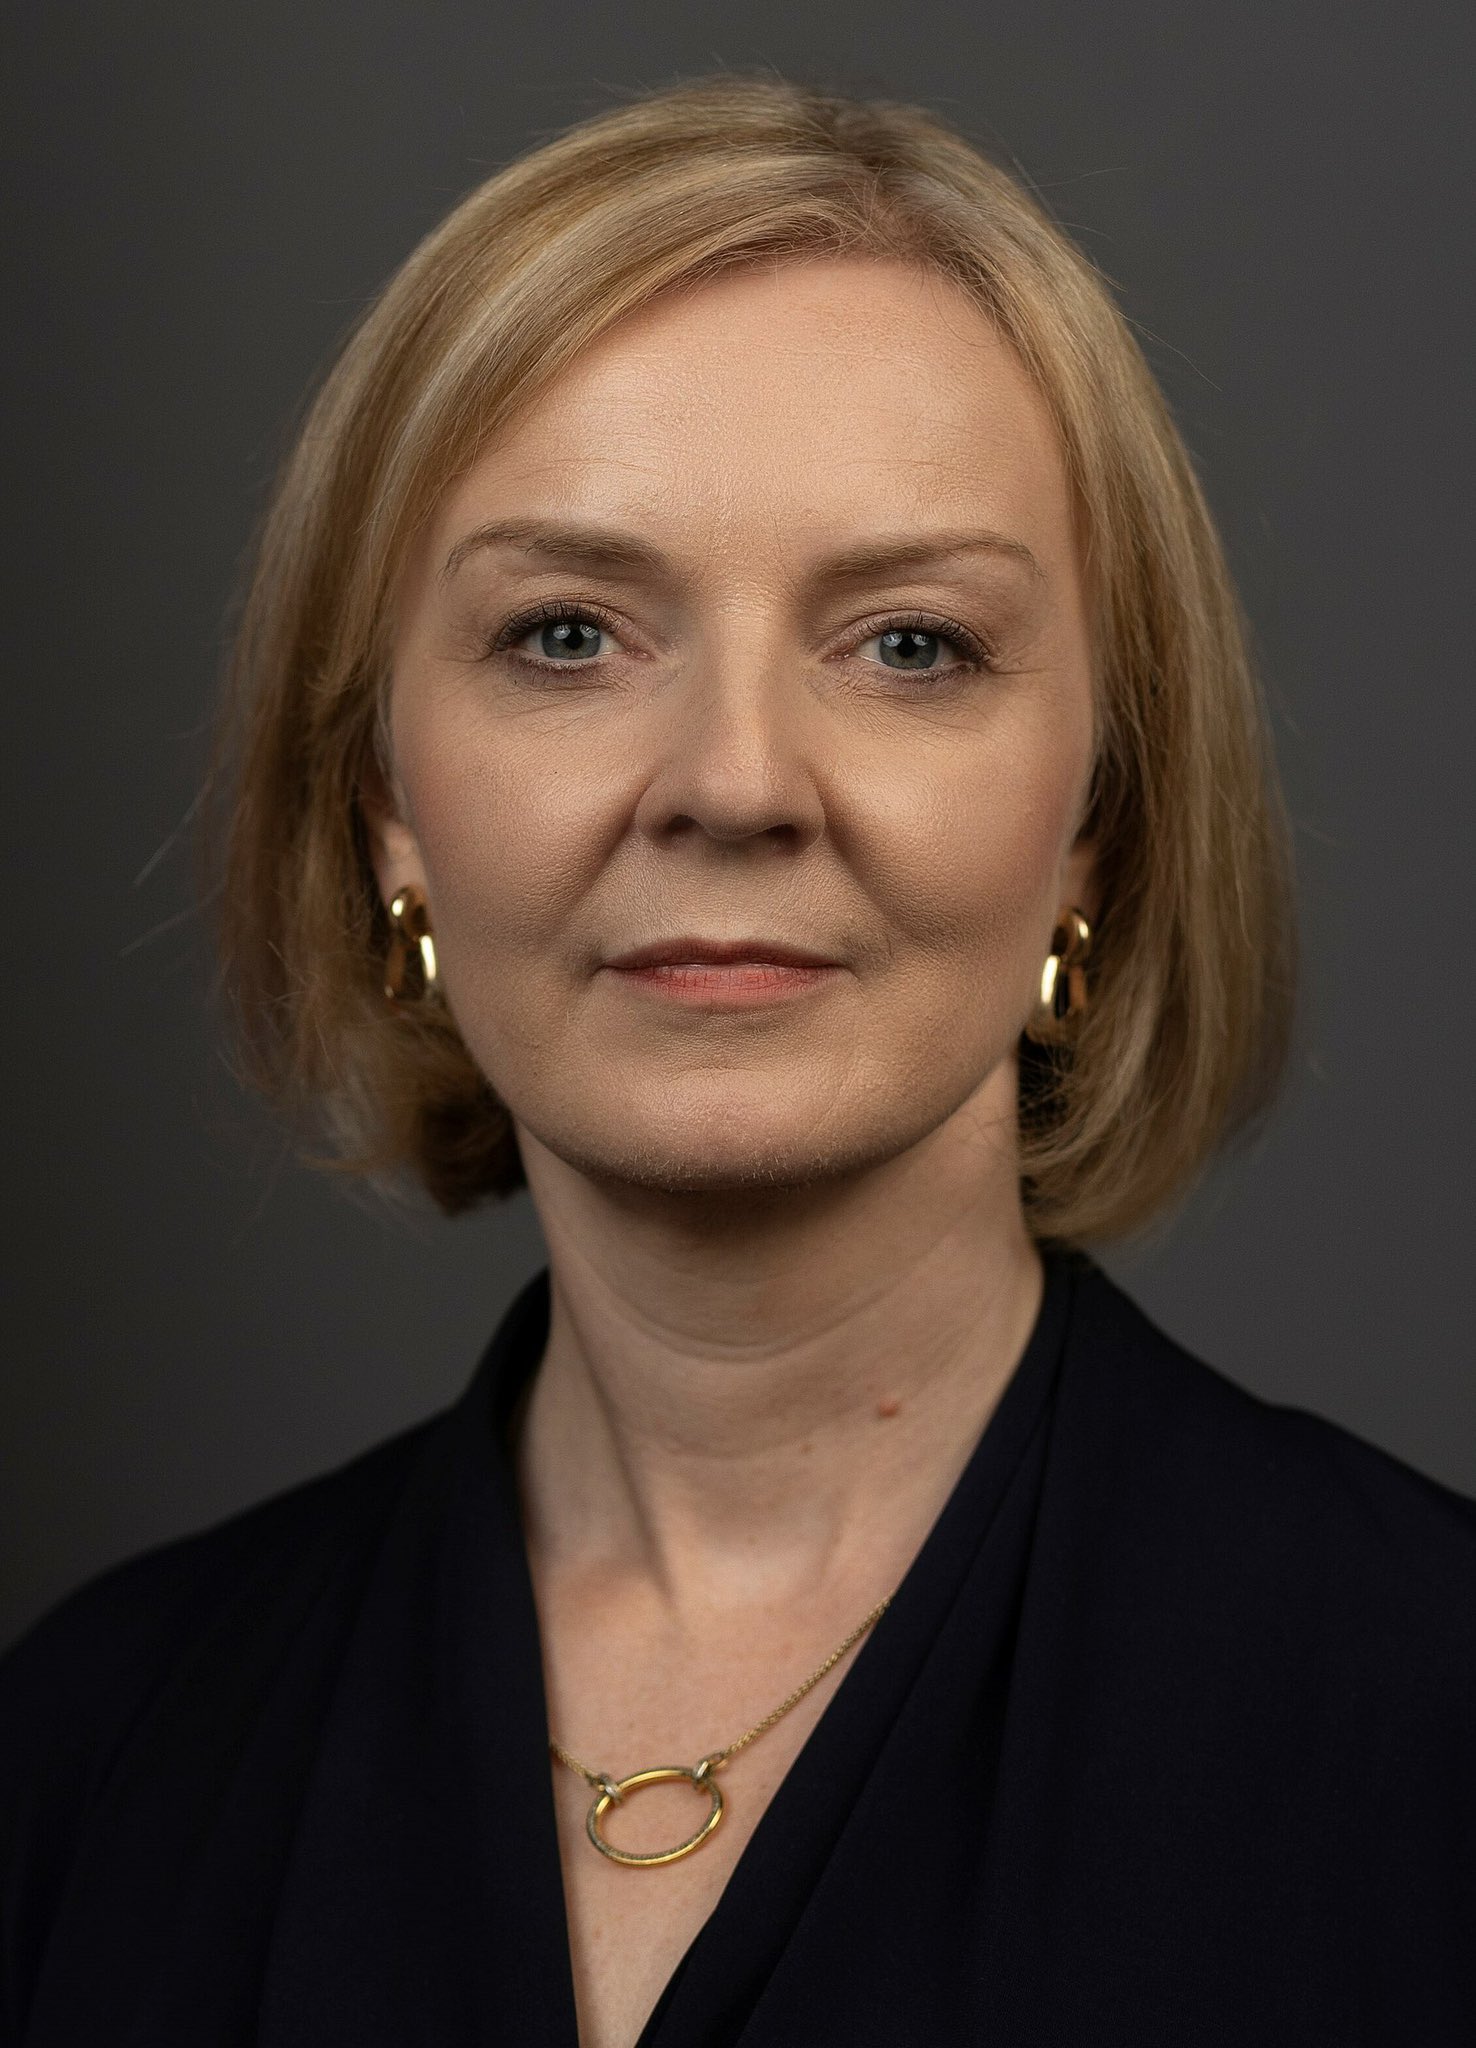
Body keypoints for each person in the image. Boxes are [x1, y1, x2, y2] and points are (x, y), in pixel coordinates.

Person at [2, 70, 1472, 2048]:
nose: (734, 782)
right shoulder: (87, 1766)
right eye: (567, 635)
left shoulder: (1433, 1726)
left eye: (911, 644)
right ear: (387, 808)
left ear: (1097, 824)